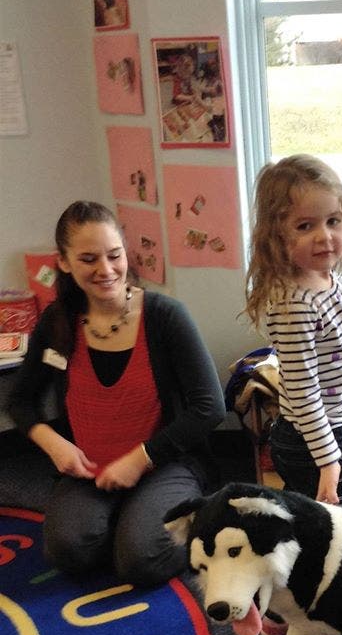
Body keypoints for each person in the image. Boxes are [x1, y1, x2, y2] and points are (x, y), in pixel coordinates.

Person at [7, 200, 225, 586]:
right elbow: (20, 401)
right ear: (64, 262)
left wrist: (138, 461)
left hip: (164, 461)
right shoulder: (58, 322)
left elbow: (209, 408)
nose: (106, 270)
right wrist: (55, 444)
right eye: (89, 259)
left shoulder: (164, 315)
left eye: (114, 255)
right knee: (67, 551)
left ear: (126, 254)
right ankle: (129, 518)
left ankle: (161, 516)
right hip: (90, 465)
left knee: (142, 562)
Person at [245, 154, 342, 635]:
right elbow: (304, 388)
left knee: (307, 533)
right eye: (305, 225)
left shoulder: (323, 280)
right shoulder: (293, 301)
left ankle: (277, 617)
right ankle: (313, 631)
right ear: (277, 236)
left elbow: (331, 367)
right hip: (314, 441)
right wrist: (331, 460)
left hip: (328, 431)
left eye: (333, 221)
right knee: (322, 539)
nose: (325, 237)